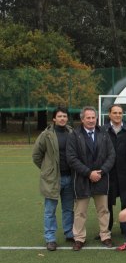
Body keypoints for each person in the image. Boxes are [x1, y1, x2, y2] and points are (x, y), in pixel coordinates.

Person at [66, 106, 115, 251]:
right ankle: (79, 238)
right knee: (80, 211)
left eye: (93, 117)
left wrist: (101, 171)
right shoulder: (74, 135)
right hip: (82, 179)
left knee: (103, 210)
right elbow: (72, 158)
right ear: (82, 119)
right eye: (88, 118)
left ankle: (105, 236)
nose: (91, 120)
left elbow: (111, 155)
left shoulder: (104, 134)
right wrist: (89, 173)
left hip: (101, 178)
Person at [32, 106, 74, 251]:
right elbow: (36, 155)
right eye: (60, 116)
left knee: (68, 209)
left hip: (69, 177)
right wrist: (47, 170)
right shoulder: (46, 135)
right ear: (54, 119)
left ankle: (69, 233)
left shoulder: (71, 133)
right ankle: (50, 238)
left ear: (67, 118)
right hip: (53, 180)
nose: (62, 118)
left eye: (65, 116)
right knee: (50, 210)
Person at [102, 104, 126, 233]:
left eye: (120, 113)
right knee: (107, 203)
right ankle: (106, 228)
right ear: (109, 114)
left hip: (125, 172)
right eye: (115, 113)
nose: (117, 115)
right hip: (108, 173)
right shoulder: (102, 130)